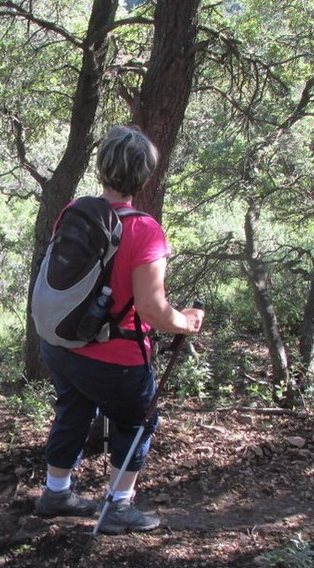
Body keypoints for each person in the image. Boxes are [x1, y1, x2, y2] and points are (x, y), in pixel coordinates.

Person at [35, 126, 205, 533]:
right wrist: (187, 321)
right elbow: (151, 309)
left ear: (102, 167)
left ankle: (56, 491)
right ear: (145, 175)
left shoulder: (76, 210)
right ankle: (118, 506)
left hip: (61, 343)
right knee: (137, 419)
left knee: (73, 407)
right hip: (116, 357)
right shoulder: (145, 230)